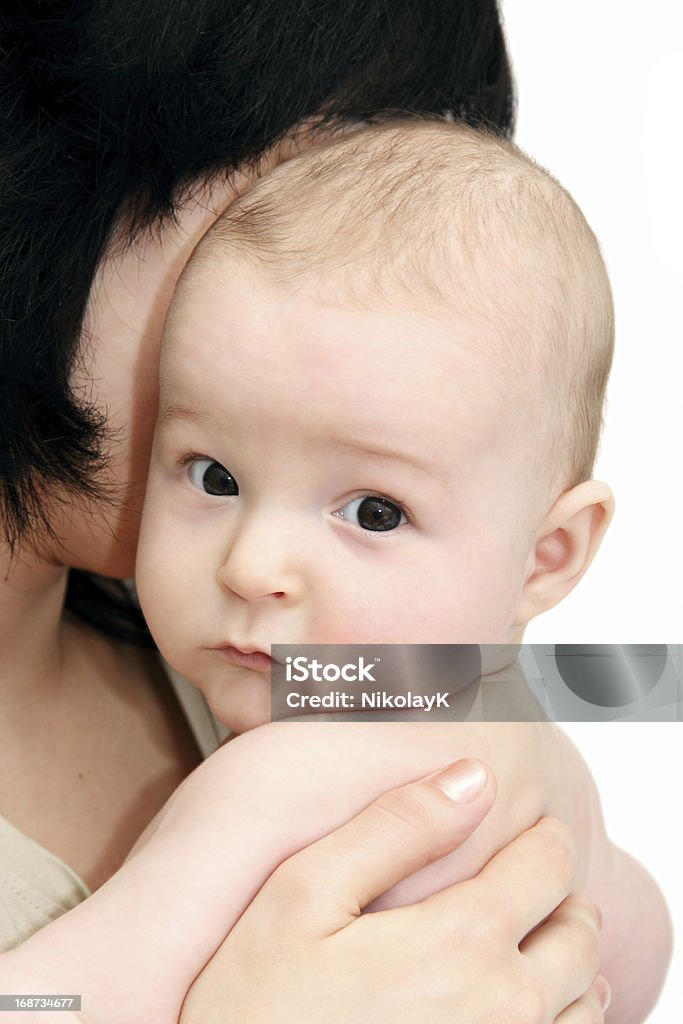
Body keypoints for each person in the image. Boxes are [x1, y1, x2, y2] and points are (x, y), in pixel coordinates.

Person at [0, 2, 611, 1021]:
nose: (257, 568)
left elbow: (615, 954)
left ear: (550, 553)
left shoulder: (246, 676)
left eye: (372, 507)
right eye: (292, 205)